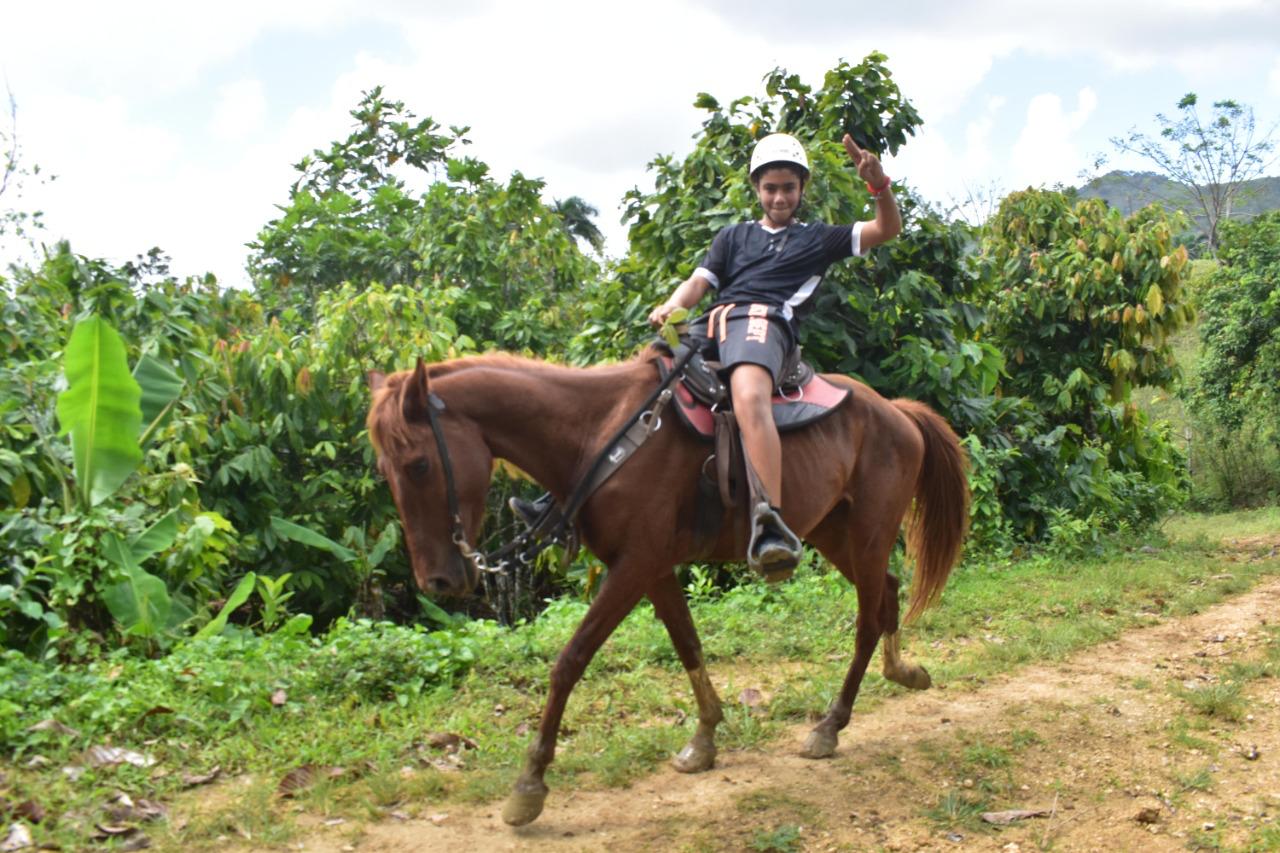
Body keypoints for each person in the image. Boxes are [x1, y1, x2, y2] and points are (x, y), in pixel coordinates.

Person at [646, 131, 902, 576]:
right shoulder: (731, 236)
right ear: (757, 190)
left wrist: (879, 187)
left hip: (766, 325)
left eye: (788, 187)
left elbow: (886, 229)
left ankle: (770, 523)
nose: (779, 197)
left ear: (802, 189)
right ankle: (570, 498)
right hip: (713, 323)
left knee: (747, 395)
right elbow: (699, 283)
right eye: (770, 188)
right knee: (644, 375)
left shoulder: (818, 238)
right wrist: (673, 305)